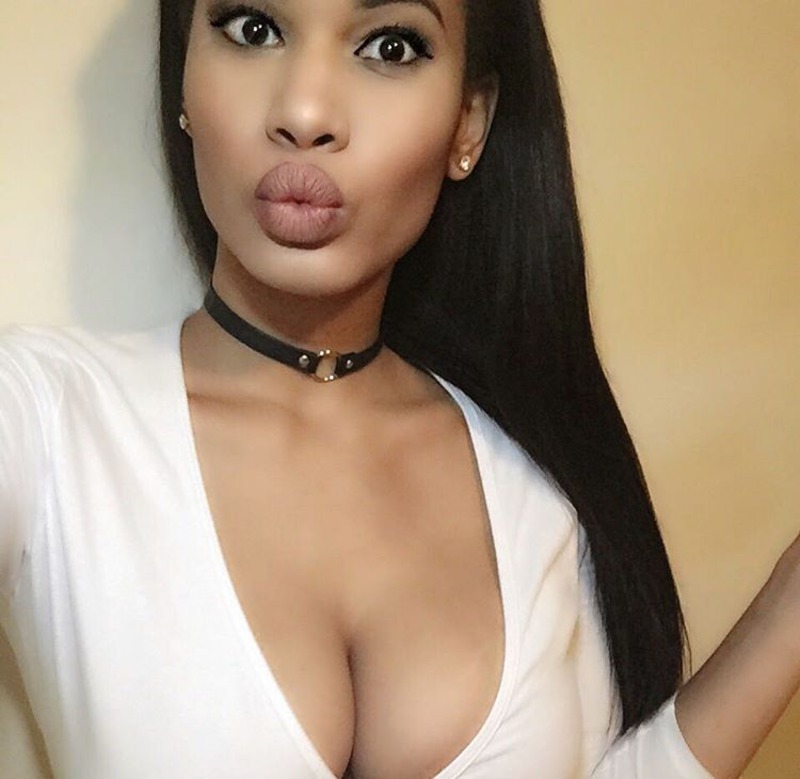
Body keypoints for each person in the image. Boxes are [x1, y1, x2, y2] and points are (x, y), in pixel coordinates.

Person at [1, 0, 798, 776]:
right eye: (254, 28)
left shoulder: (535, 489)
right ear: (183, 74)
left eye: (390, 46)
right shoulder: (42, 418)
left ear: (468, 124)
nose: (305, 113)